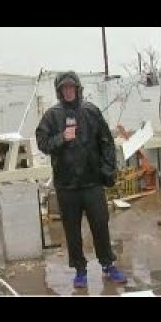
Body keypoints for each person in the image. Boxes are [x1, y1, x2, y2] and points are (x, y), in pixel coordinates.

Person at [35, 71, 127, 288]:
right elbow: (42, 143)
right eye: (64, 88)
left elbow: (106, 141)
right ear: (59, 91)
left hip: (92, 182)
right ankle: (80, 269)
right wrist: (61, 138)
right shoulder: (52, 115)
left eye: (71, 87)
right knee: (72, 230)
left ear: (77, 89)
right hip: (67, 185)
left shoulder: (90, 111)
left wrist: (107, 170)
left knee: (100, 224)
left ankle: (108, 264)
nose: (68, 91)